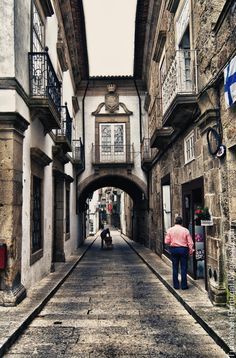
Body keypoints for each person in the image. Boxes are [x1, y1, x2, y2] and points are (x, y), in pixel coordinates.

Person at [165, 216, 194, 290]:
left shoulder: (170, 230)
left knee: (175, 267)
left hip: (174, 249)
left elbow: (166, 241)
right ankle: (184, 286)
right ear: (181, 222)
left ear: (175, 221)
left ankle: (176, 285)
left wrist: (172, 243)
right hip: (183, 249)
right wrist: (191, 250)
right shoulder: (185, 230)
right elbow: (190, 242)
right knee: (184, 268)